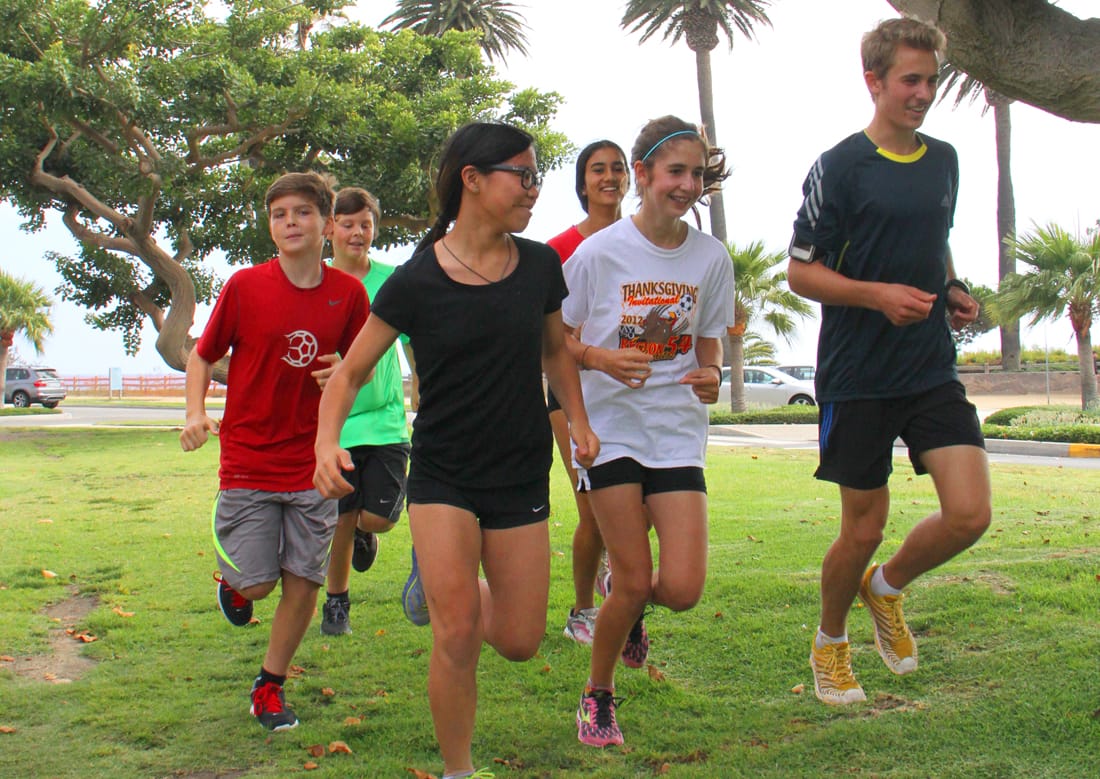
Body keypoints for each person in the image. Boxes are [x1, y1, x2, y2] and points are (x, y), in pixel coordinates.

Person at [313, 122, 599, 779]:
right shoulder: (417, 279)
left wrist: (578, 419)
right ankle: (459, 769)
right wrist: (327, 440)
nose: (532, 188)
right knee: (457, 634)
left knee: (522, 639)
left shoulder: (539, 267)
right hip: (443, 473)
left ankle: (445, 584)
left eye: (535, 177)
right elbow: (350, 372)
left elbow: (555, 351)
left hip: (520, 468)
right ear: (472, 178)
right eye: (520, 175)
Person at [785, 17, 992, 707]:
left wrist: (954, 287)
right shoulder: (840, 167)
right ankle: (831, 642)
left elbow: (936, 241)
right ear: (874, 81)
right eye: (910, 79)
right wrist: (876, 296)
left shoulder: (944, 160)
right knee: (863, 526)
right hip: (857, 374)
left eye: (932, 80)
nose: (923, 93)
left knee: (969, 514)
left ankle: (888, 585)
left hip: (929, 364)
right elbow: (800, 274)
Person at [562, 115, 734, 748]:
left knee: (682, 589)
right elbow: (556, 339)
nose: (687, 185)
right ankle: (598, 695)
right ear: (643, 175)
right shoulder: (599, 253)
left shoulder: (710, 256)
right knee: (635, 578)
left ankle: (624, 602)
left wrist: (712, 371)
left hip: (675, 428)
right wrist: (602, 359)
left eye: (696, 174)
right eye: (675, 172)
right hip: (611, 429)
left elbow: (709, 338)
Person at [179, 171, 368, 731]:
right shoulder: (244, 286)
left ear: (326, 224)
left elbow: (361, 363)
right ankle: (234, 584)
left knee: (304, 580)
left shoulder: (348, 294)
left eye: (303, 213)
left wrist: (343, 370)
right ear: (271, 227)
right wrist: (194, 414)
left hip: (314, 462)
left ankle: (270, 683)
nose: (290, 222)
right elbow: (201, 355)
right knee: (258, 582)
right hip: (248, 459)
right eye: (279, 214)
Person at [314, 187, 416, 636]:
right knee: (340, 514)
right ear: (330, 228)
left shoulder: (393, 281)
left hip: (387, 420)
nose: (357, 232)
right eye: (348, 223)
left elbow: (415, 342)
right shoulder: (314, 282)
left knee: (377, 518)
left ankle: (366, 531)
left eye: (366, 224)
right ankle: (337, 602)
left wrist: (422, 390)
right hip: (339, 425)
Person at [546, 140, 635, 646]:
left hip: (630, 396)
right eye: (598, 169)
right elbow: (553, 335)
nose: (609, 176)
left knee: (636, 510)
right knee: (592, 512)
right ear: (582, 183)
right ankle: (582, 609)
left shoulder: (645, 239)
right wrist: (595, 359)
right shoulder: (560, 249)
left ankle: (615, 584)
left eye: (617, 168)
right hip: (571, 394)